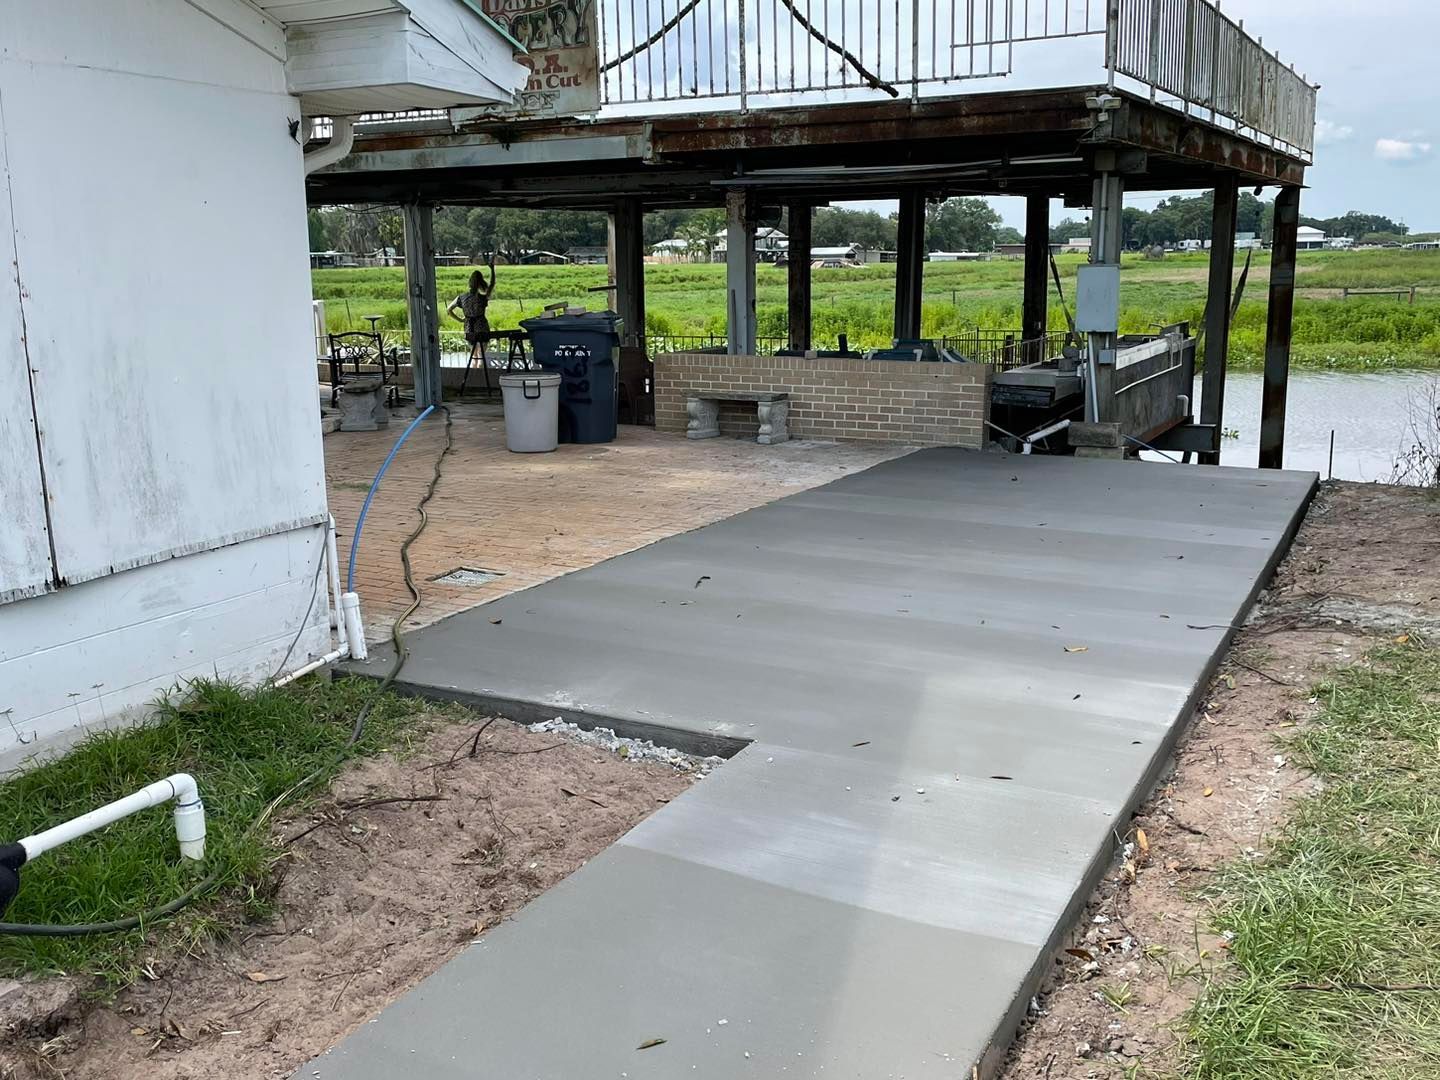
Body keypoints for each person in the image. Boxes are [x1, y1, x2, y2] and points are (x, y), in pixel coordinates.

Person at [448, 257, 497, 374]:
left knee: (473, 356)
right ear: (480, 283)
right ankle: (481, 380)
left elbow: (449, 309)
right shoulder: (482, 297)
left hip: (469, 327)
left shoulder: (462, 297)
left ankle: (472, 379)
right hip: (482, 327)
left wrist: (460, 320)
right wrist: (492, 269)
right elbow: (492, 284)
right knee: (481, 355)